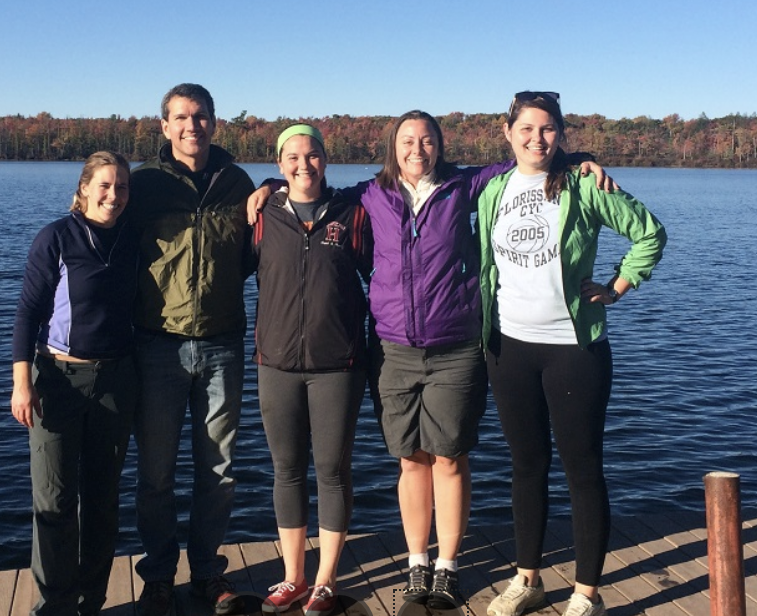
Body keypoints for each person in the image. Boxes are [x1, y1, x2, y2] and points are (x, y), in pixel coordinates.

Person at [249, 110, 613, 611]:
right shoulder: (369, 195)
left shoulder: (464, 186)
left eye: (426, 140)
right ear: (391, 148)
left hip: (455, 346)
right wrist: (271, 183)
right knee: (410, 459)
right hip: (393, 348)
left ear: (439, 146)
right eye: (406, 141)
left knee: (449, 456)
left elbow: (524, 161)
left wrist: (577, 160)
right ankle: (417, 561)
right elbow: (310, 188)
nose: (416, 149)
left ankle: (447, 566)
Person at [479, 92, 666, 616]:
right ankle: (527, 580)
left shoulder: (585, 183)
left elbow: (649, 232)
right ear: (507, 130)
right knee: (526, 468)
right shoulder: (494, 188)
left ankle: (587, 594)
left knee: (582, 470)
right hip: (508, 347)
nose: (537, 139)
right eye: (527, 129)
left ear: (560, 133)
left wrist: (618, 285)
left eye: (548, 129)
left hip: (573, 352)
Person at [127, 83, 256, 616]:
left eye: (200, 116)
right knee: (156, 474)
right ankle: (157, 578)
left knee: (218, 472)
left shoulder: (237, 183)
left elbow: (250, 257)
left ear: (214, 123)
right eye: (180, 117)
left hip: (222, 343)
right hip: (157, 347)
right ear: (164, 126)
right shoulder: (145, 186)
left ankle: (206, 573)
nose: (191, 126)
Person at [250, 125, 373, 616]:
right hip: (276, 363)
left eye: (313, 155)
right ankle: (292, 576)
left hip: (337, 365)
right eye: (294, 157)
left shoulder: (352, 213)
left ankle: (324, 582)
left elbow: (382, 274)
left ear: (326, 159)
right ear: (280, 166)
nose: (304, 165)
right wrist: (264, 189)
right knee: (286, 470)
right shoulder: (261, 217)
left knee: (331, 471)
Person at [10, 151, 138, 616]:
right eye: (104, 185)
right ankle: (55, 605)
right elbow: (27, 313)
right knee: (55, 501)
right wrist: (21, 383)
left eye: (122, 186)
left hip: (115, 382)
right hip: (57, 382)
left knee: (102, 503)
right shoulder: (56, 237)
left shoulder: (132, 235)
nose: (113, 195)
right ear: (84, 188)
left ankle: (91, 602)